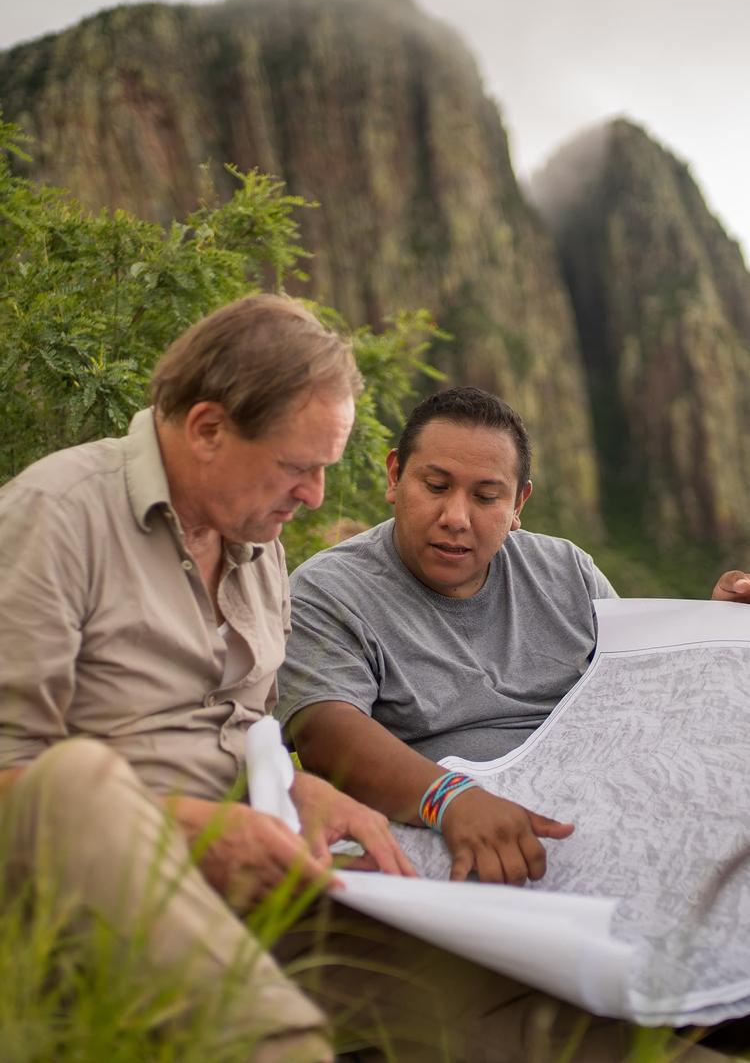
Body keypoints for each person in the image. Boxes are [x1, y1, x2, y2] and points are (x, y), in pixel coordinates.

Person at [0, 312, 739, 1063]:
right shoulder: (59, 516)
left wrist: (297, 787)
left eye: (325, 468)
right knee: (74, 777)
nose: (317, 497)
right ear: (208, 428)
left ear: (519, 504)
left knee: (512, 1013)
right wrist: (197, 828)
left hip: (272, 867)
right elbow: (18, 781)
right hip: (120, 868)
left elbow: (248, 730)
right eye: (298, 466)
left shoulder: (256, 545)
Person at [277, 386, 750, 889]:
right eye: (435, 486)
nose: (456, 518)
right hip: (446, 831)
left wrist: (717, 636)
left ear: (518, 501)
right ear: (395, 476)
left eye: (486, 497)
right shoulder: (328, 591)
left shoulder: (567, 571)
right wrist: (451, 800)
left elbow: (636, 689)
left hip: (603, 810)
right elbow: (325, 732)